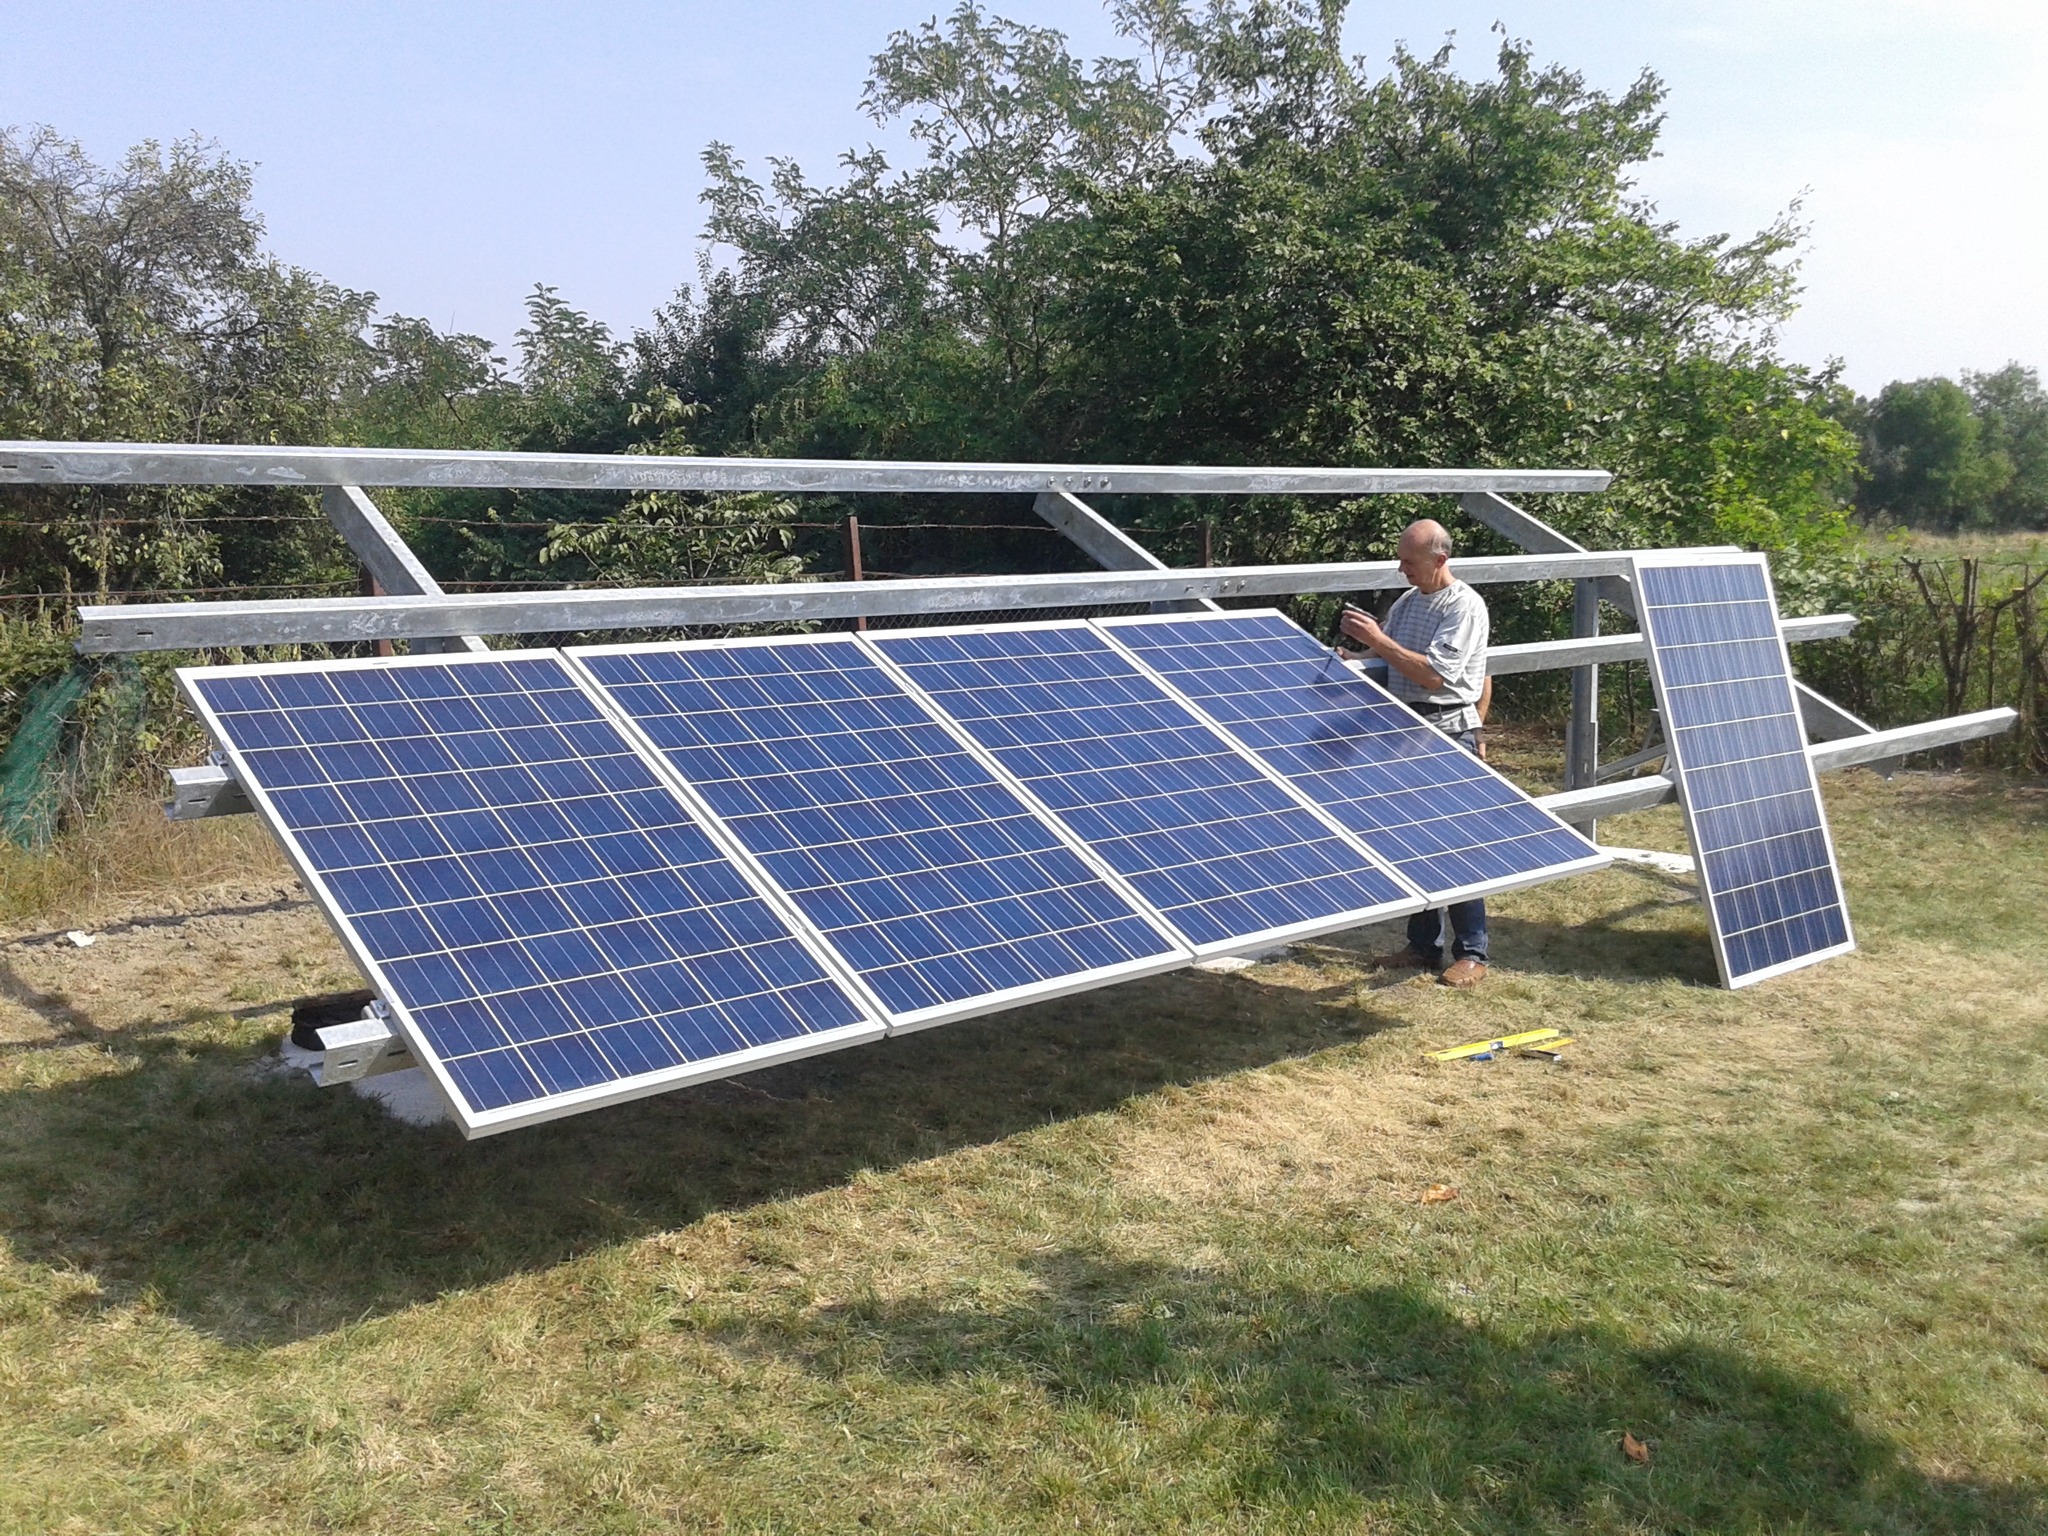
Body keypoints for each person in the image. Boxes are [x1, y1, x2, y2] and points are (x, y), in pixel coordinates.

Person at [1337, 518, 1491, 988]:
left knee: (1454, 843)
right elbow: (1389, 657)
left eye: (1410, 561)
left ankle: (1473, 952)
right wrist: (1354, 661)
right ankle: (1423, 944)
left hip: (1446, 732)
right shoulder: (1408, 602)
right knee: (1412, 840)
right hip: (1404, 731)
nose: (1401, 569)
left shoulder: (1463, 606)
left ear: (1439, 560)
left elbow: (1434, 676)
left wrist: (1377, 641)